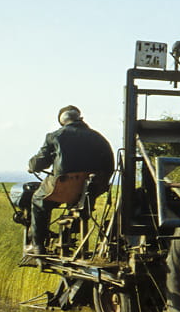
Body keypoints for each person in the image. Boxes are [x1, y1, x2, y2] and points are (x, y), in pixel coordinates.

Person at [25, 105, 115, 256]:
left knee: (38, 200)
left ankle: (38, 244)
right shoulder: (98, 137)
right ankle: (67, 234)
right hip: (91, 188)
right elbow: (110, 165)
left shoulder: (55, 136)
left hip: (63, 187)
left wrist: (31, 166)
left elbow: (38, 163)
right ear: (80, 118)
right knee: (80, 206)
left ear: (62, 121)